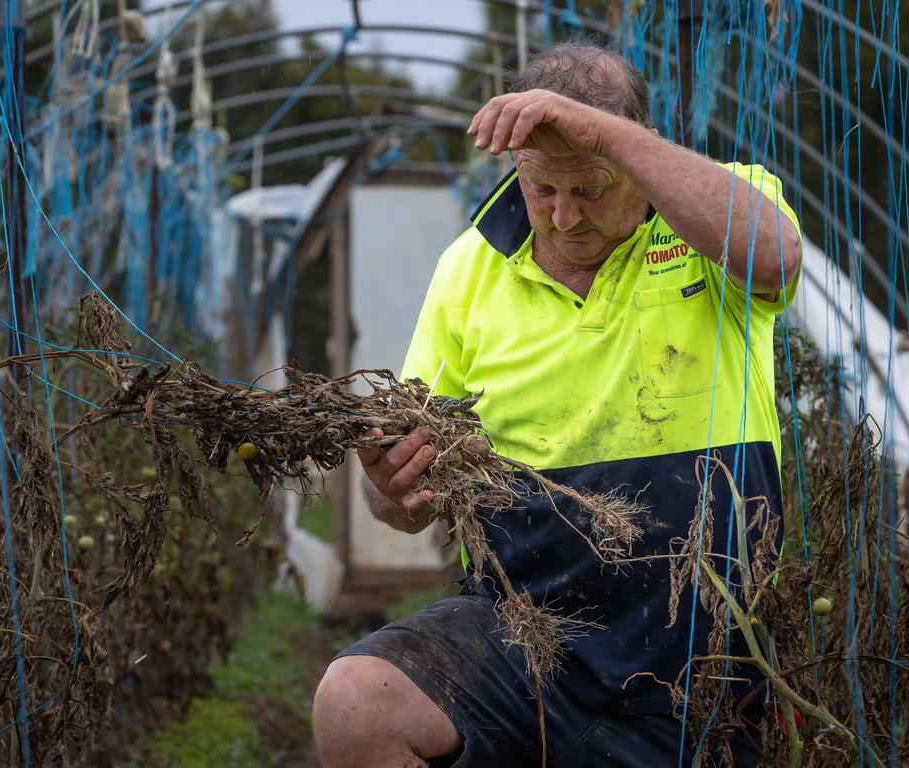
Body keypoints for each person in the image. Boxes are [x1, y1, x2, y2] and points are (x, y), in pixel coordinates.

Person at [313, 41, 802, 768]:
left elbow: (776, 258)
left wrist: (605, 135)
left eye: (593, 188)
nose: (565, 217)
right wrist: (393, 490)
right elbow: (405, 502)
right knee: (355, 701)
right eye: (542, 188)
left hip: (701, 657)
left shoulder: (709, 218)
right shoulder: (468, 269)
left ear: (636, 154)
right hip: (523, 638)